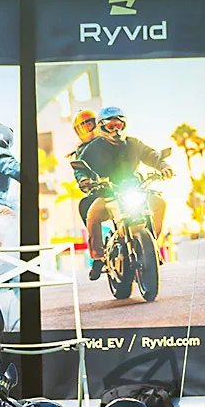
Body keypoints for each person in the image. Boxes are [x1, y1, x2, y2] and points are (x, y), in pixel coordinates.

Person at [75, 106, 174, 281]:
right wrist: (84, 179)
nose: (115, 130)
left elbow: (150, 154)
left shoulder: (133, 143)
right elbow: (80, 166)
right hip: (107, 193)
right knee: (93, 213)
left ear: (124, 125)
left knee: (159, 203)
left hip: (135, 188)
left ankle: (151, 245)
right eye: (111, 126)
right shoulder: (92, 148)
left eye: (118, 125)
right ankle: (98, 257)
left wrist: (163, 166)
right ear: (102, 127)